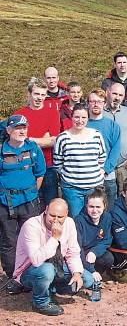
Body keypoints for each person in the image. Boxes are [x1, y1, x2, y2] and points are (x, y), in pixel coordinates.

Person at [11, 198, 83, 316]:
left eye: (60, 217)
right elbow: (36, 260)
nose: (55, 220)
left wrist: (76, 273)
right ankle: (41, 303)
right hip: (29, 272)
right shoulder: (31, 225)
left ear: (66, 215)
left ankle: (51, 289)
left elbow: (73, 253)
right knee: (46, 270)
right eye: (52, 215)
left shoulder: (69, 223)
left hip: (57, 266)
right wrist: (54, 238)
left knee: (85, 278)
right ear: (45, 211)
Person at [0, 115, 45, 281]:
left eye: (24, 128)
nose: (22, 131)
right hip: (6, 203)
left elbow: (40, 174)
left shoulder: (33, 148)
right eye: (18, 128)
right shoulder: (1, 151)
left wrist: (32, 194)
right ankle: (14, 277)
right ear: (9, 130)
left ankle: (32, 273)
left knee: (32, 238)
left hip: (29, 202)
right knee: (9, 241)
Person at [52, 104, 107, 217]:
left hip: (94, 187)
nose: (80, 120)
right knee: (76, 219)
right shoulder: (63, 138)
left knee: (95, 218)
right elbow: (58, 163)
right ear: (71, 117)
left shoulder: (96, 135)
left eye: (83, 117)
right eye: (77, 117)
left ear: (88, 118)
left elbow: (101, 157)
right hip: (72, 189)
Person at [13, 78, 61, 205]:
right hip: (26, 165)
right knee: (29, 204)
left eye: (42, 94)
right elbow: (16, 141)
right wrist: (43, 139)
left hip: (48, 166)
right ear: (29, 94)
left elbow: (53, 140)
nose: (39, 98)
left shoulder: (52, 112)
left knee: (50, 204)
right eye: (36, 94)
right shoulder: (19, 115)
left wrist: (29, 139)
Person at [74, 187, 112, 302]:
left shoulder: (107, 217)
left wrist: (94, 251)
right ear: (86, 206)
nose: (94, 210)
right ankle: (90, 278)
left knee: (108, 258)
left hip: (93, 252)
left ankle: (96, 278)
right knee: (87, 279)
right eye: (91, 207)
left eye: (98, 207)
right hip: (80, 255)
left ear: (104, 206)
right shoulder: (78, 221)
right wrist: (91, 269)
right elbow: (77, 249)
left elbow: (107, 239)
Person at [87, 89, 121, 202]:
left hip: (107, 176)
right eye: (92, 101)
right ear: (88, 104)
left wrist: (105, 169)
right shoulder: (83, 124)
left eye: (99, 101)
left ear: (104, 104)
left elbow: (115, 150)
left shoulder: (112, 125)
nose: (96, 104)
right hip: (88, 176)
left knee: (109, 211)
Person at [104, 83, 127, 195]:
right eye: (114, 94)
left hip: (125, 165)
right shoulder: (100, 112)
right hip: (106, 167)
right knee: (107, 201)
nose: (117, 97)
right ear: (107, 92)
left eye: (120, 95)